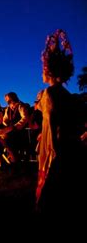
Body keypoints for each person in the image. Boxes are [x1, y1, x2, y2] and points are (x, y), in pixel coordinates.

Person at [35, 29, 86, 219]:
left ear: (49, 70)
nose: (42, 72)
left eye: (43, 69)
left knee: (51, 190)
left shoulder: (49, 93)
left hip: (56, 146)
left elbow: (52, 121)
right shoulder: (66, 95)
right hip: (71, 145)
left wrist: (53, 150)